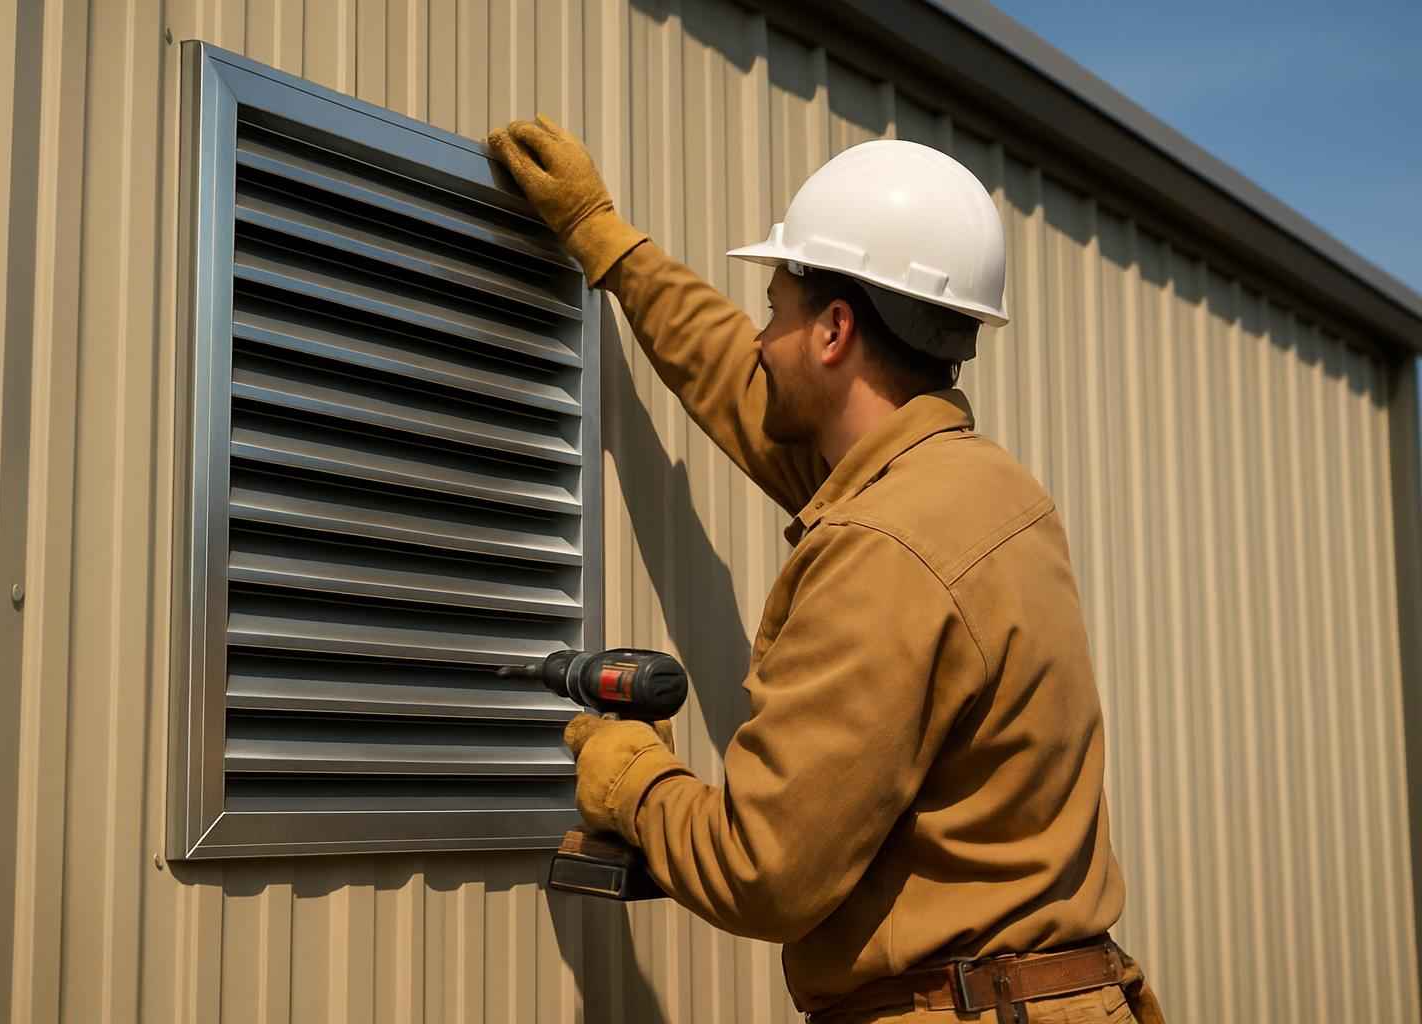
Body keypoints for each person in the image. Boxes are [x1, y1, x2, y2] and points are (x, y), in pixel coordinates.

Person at [489, 115, 1164, 1024]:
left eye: (777, 313)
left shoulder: (884, 550)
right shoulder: (980, 487)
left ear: (835, 330)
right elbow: (738, 380)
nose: (763, 340)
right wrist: (610, 242)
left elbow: (765, 868)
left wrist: (632, 778)